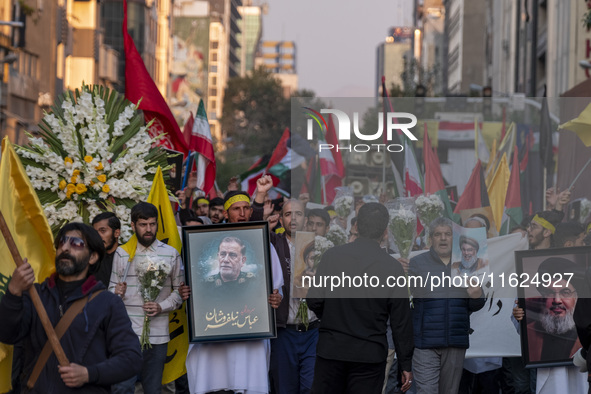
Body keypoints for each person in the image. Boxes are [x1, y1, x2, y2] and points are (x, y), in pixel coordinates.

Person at [0, 222, 142, 393]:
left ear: (92, 257)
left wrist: (89, 373)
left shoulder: (108, 303)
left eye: (76, 243)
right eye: (62, 242)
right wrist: (13, 292)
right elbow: (7, 334)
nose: (65, 248)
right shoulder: (35, 295)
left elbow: (131, 358)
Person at [185, 182, 284, 394]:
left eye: (246, 208)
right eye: (236, 209)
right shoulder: (203, 241)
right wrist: (187, 292)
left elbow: (276, 287)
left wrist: (277, 298)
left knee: (249, 383)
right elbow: (193, 282)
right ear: (226, 213)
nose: (243, 213)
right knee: (214, 383)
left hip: (250, 332)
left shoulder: (263, 245)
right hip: (213, 332)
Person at [307, 202, 414, 393]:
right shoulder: (392, 268)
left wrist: (333, 316)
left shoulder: (332, 256)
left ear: (356, 226)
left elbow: (314, 300)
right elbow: (401, 321)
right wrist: (406, 364)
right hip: (369, 354)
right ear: (385, 231)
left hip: (333, 350)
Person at [109, 202, 183, 394]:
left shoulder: (171, 254)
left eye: (152, 224)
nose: (149, 229)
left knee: (153, 388)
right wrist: (117, 291)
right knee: (122, 387)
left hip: (158, 335)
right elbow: (111, 291)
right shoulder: (123, 253)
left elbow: (179, 293)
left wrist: (161, 306)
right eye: (143, 224)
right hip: (127, 334)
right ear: (133, 226)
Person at [408, 217, 485, 394]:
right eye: (437, 234)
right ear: (430, 240)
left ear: (455, 238)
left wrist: (477, 295)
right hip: (425, 344)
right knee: (426, 391)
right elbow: (405, 295)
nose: (443, 238)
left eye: (448, 234)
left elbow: (477, 304)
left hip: (455, 341)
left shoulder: (468, 263)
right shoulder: (417, 264)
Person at [269, 199, 320, 394]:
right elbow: (251, 235)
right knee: (285, 388)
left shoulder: (321, 247)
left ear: (305, 219)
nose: (294, 218)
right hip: (284, 332)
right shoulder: (273, 244)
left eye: (298, 213)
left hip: (313, 331)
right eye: (288, 214)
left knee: (311, 387)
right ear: (281, 220)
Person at [91, 212, 121, 287]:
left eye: (103, 231)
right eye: (95, 232)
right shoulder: (91, 258)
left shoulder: (127, 255)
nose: (98, 236)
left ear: (116, 233)